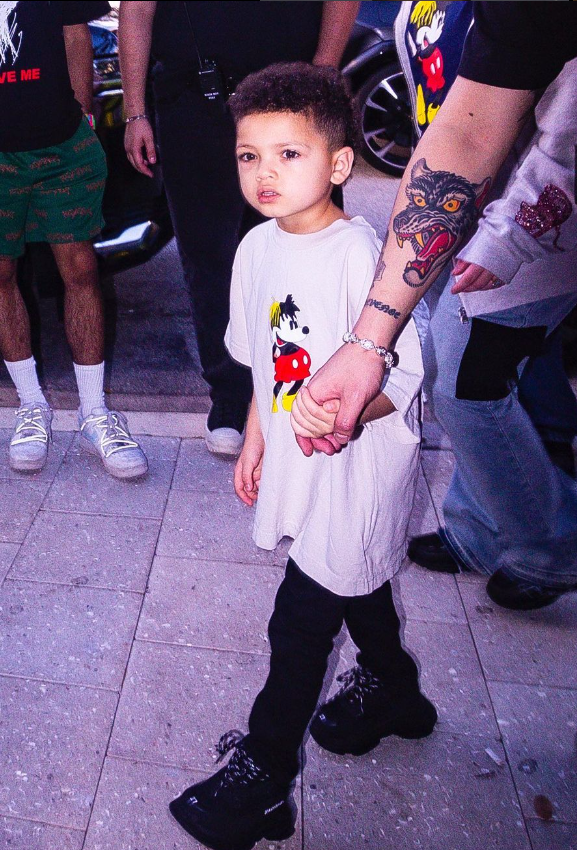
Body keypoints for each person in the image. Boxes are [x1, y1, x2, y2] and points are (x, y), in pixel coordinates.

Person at [168, 63, 436, 850]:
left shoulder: (360, 257)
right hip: (299, 465)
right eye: (249, 155)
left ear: (339, 163)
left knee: (299, 624)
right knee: (354, 582)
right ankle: (394, 691)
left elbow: (403, 380)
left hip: (356, 472)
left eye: (290, 154)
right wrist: (257, 437)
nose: (265, 172)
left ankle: (263, 778)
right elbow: (264, 360)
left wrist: (345, 411)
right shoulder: (255, 248)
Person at [292, 1, 577, 611]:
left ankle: (554, 544)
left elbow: (531, 130)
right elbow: (459, 122)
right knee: (481, 374)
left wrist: (509, 235)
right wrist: (371, 340)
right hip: (469, 216)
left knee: (462, 383)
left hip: (530, 227)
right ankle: (480, 530)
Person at [119, 0, 359, 456]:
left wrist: (323, 73)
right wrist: (135, 113)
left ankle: (307, 392)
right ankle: (230, 399)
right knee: (208, 258)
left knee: (305, 247)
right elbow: (136, 9)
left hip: (292, 99)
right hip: (193, 100)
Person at [0, 0, 148, 479]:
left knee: (81, 269)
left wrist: (83, 118)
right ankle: (31, 405)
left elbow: (76, 34)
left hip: (62, 144)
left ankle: (95, 412)